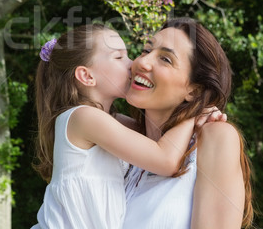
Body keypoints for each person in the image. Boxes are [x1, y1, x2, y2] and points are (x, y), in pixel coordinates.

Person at [31, 23, 222, 229]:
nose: (134, 64)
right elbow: (166, 159)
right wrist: (193, 110)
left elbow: (156, 138)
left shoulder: (111, 120)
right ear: (87, 76)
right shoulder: (82, 117)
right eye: (119, 57)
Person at [123, 17, 253, 229]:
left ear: (194, 90)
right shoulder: (123, 146)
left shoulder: (214, 137)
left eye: (165, 59)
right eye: (146, 51)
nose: (142, 62)